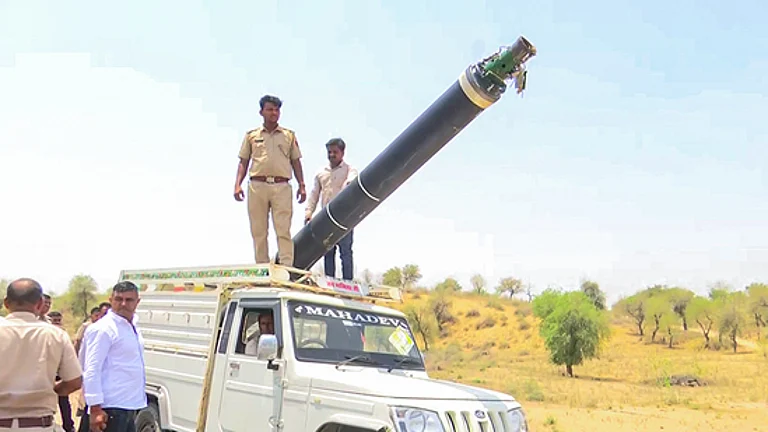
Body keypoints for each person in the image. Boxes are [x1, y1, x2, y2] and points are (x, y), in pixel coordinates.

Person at [0, 278, 82, 432]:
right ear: (40, 303)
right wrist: (50, 390)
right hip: (39, 424)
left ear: (6, 303)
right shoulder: (55, 334)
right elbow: (74, 382)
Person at [234, 95, 307, 267]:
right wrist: (237, 184)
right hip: (257, 186)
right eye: (270, 109)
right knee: (258, 230)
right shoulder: (252, 136)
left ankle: (286, 267)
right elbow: (243, 161)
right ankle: (262, 267)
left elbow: (296, 161)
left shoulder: (288, 136)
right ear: (261, 112)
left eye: (276, 110)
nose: (274, 113)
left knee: (283, 229)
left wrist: (302, 185)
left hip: (281, 186)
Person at [82, 282, 146, 432]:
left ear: (137, 302)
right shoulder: (104, 329)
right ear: (111, 300)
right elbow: (91, 369)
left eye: (129, 300)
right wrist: (95, 408)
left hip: (128, 405)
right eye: (118, 299)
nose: (123, 304)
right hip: (109, 407)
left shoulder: (132, 326)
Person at [304, 138, 359, 280]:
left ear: (342, 153)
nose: (332, 155)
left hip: (345, 218)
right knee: (328, 252)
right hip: (326, 218)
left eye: (335, 152)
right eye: (329, 152)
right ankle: (330, 283)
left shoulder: (350, 170)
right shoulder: (321, 172)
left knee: (345, 252)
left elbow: (351, 183)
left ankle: (348, 284)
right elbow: (314, 194)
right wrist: (309, 212)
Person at [47, 311, 76, 432]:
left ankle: (68, 425)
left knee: (64, 401)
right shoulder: (44, 334)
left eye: (59, 320)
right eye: (54, 321)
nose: (57, 323)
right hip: (47, 373)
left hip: (59, 373)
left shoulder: (63, 335)